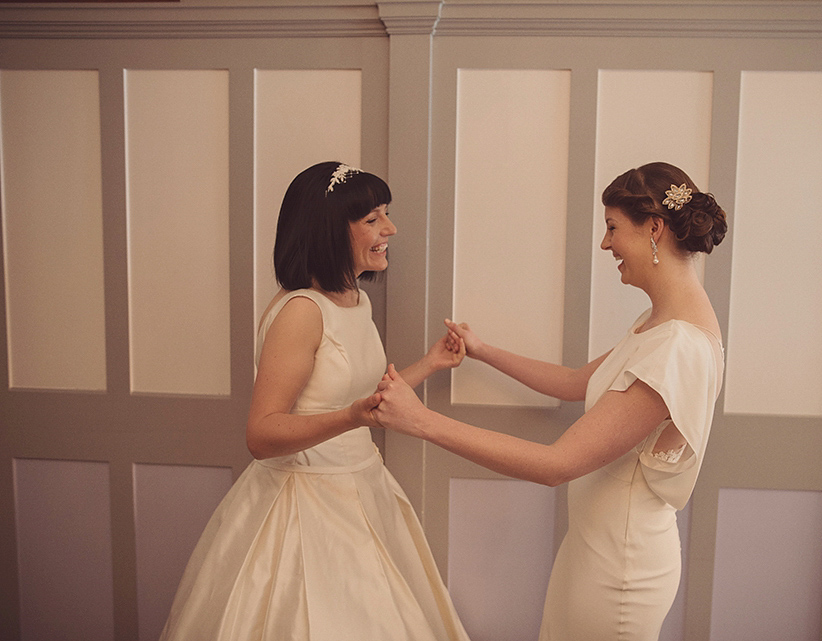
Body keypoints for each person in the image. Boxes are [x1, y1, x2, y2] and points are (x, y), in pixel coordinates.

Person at [372, 162, 727, 641]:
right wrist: (483, 350)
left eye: (612, 228)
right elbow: (578, 381)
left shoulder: (676, 345)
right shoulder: (662, 323)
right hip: (592, 552)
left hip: (620, 572)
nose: (605, 245)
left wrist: (420, 421)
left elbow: (555, 465)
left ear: (655, 228)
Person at [160, 162, 470, 641]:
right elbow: (262, 435)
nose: (390, 229)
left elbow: (363, 400)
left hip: (364, 488)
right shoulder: (301, 312)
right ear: (330, 230)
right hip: (306, 503)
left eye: (385, 214)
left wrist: (428, 364)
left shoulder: (354, 299)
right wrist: (350, 417)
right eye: (373, 219)